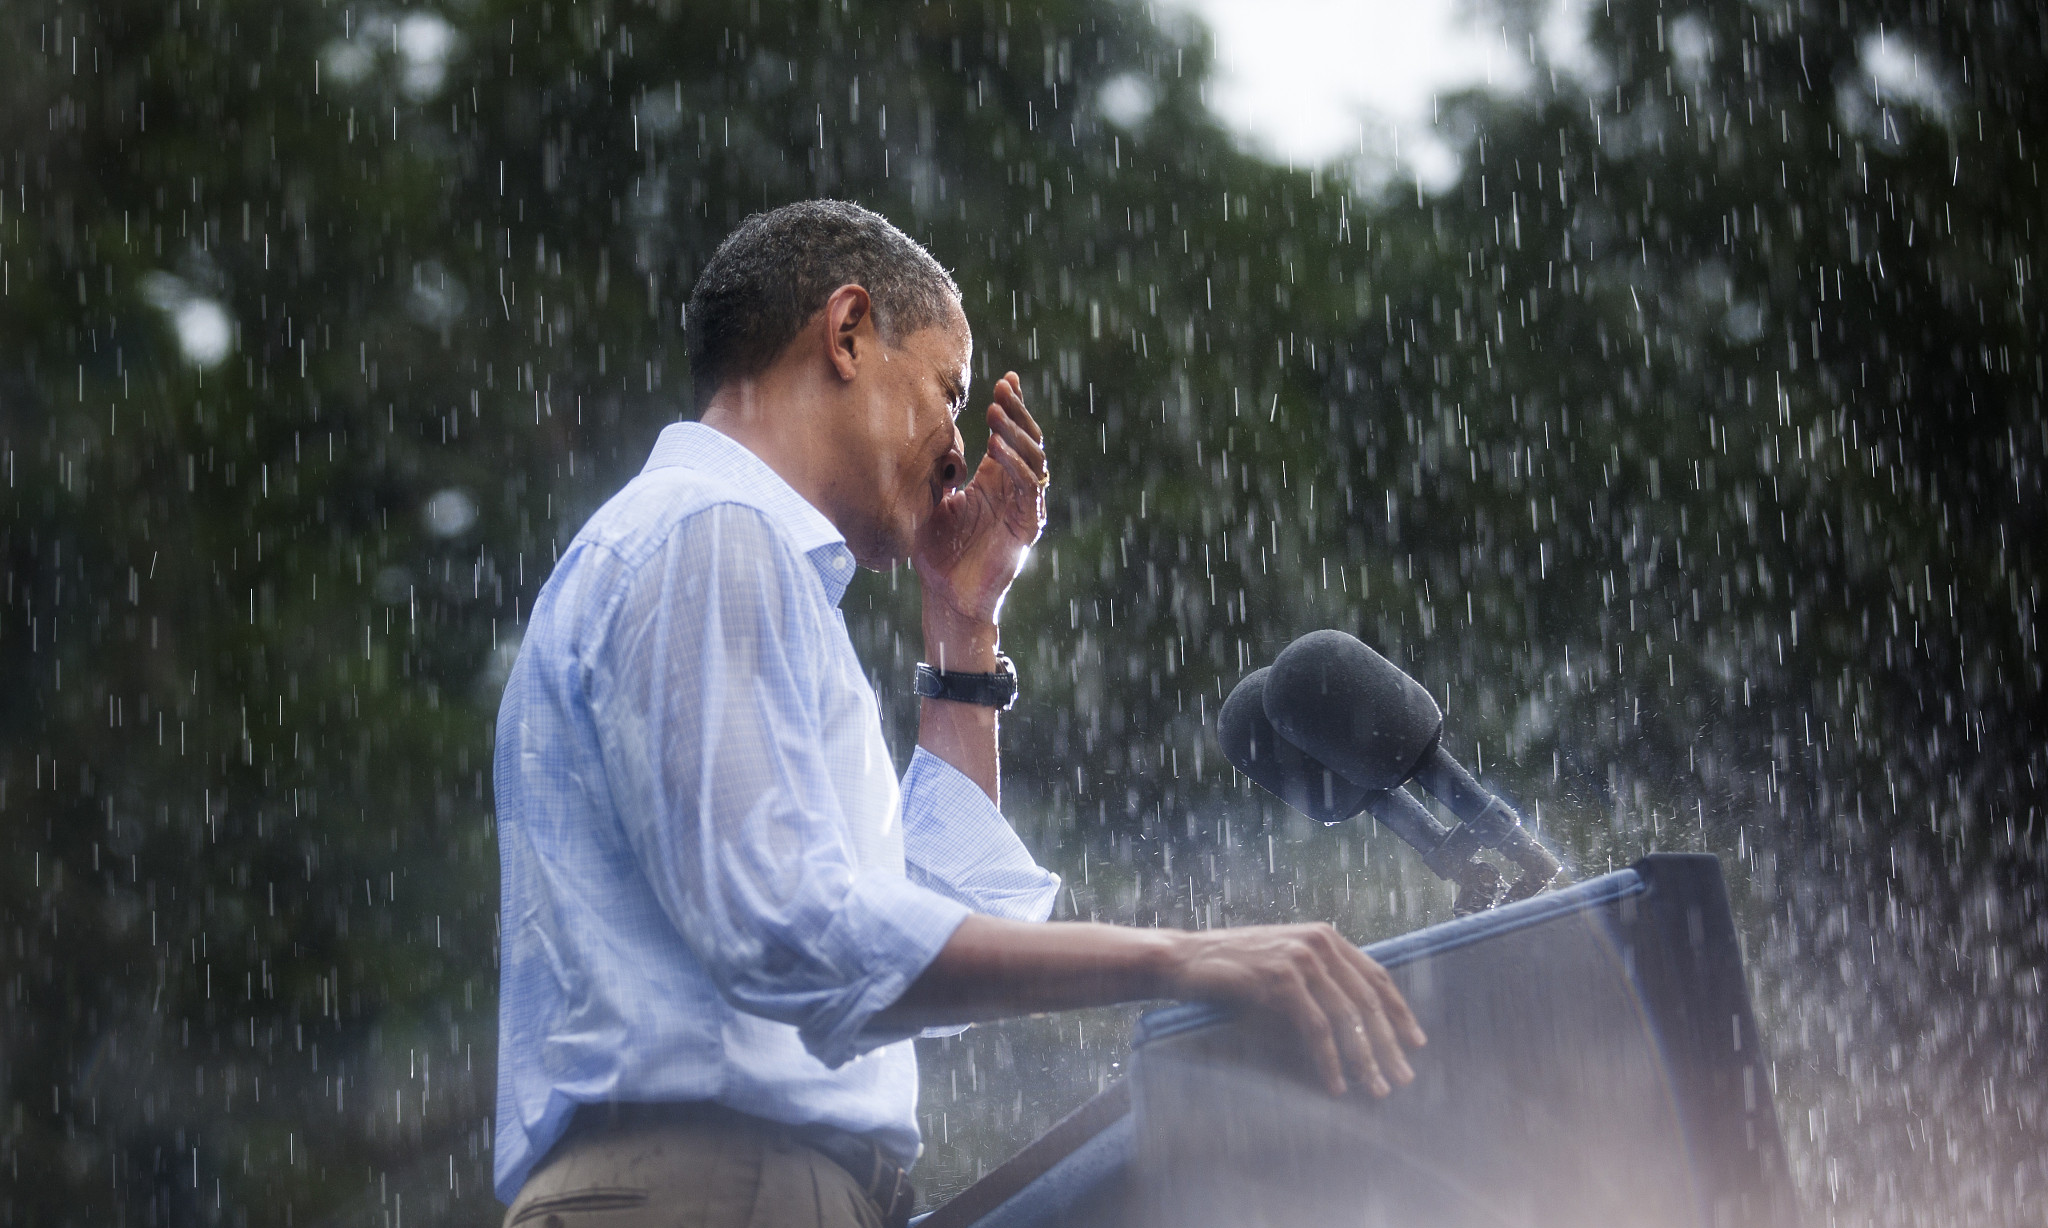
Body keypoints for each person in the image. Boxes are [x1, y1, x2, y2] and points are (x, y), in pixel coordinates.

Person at [492, 200, 1425, 1228]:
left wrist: (964, 626)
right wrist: (1182, 957)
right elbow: (795, 934)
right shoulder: (711, 537)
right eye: (948, 388)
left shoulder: (727, 553)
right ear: (846, 332)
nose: (955, 444)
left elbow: (907, 920)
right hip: (707, 1191)